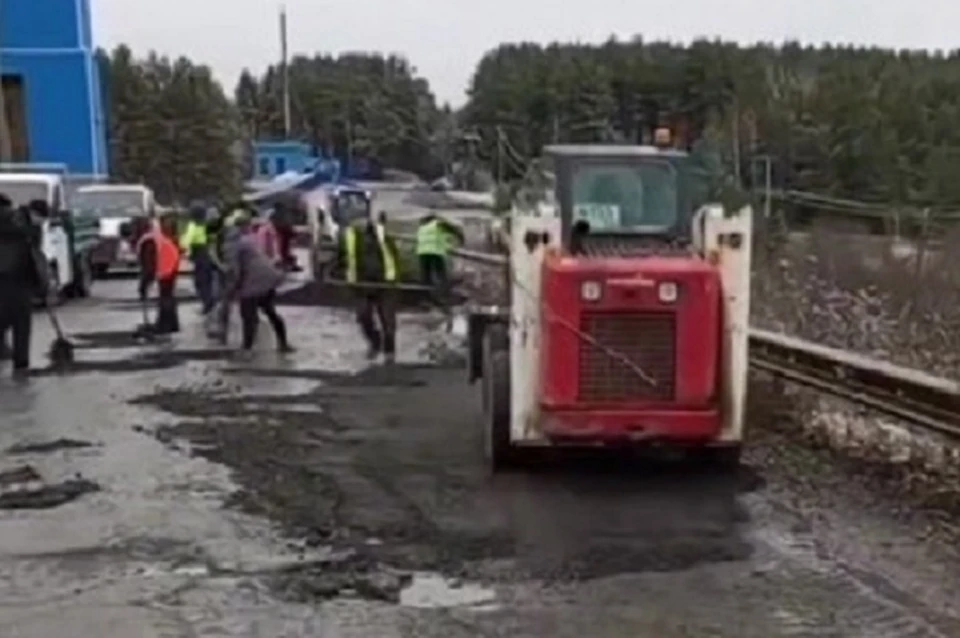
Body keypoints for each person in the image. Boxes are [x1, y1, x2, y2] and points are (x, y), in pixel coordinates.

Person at [223, 210, 293, 355]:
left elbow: (235, 271)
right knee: (270, 311)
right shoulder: (250, 239)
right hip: (268, 278)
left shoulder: (234, 245)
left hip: (254, 282)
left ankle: (247, 349)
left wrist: (232, 289)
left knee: (248, 315)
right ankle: (284, 344)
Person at [338, 215, 401, 363]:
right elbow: (342, 258)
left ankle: (389, 352)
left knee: (388, 320)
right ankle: (375, 342)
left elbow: (394, 257)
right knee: (363, 316)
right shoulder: (349, 238)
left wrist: (395, 278)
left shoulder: (384, 236)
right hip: (362, 284)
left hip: (385, 284)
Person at [0, 193, 49, 376]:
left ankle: (18, 361)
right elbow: (31, 256)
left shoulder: (16, 220)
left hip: (12, 276)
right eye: (42, 218)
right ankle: (21, 365)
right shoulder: (19, 223)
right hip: (15, 276)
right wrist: (40, 285)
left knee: (7, 318)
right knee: (20, 321)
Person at [180, 202, 215, 314]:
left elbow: (185, 242)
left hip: (200, 255)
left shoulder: (193, 226)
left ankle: (207, 304)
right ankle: (210, 301)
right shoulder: (207, 225)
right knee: (208, 281)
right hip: (210, 255)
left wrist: (182, 242)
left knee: (200, 282)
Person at [416, 211, 464, 288]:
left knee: (426, 274)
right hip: (435, 251)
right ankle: (443, 289)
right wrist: (461, 239)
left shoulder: (422, 227)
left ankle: (426, 291)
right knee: (440, 273)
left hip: (422, 252)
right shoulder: (437, 224)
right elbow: (454, 230)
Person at [153, 215, 183, 334]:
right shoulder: (171, 239)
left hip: (167, 271)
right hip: (168, 271)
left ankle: (165, 323)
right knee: (168, 296)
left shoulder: (169, 239)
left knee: (166, 297)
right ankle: (170, 323)